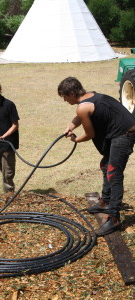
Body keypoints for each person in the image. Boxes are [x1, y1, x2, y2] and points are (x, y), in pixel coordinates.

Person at [58, 76, 135, 236]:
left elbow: (89, 133)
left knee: (114, 174)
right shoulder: (91, 96)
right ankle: (105, 202)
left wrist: (76, 139)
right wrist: (71, 126)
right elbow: (81, 115)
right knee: (105, 165)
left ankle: (114, 218)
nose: (65, 100)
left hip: (124, 134)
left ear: (72, 93)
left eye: (65, 96)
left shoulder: (82, 107)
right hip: (120, 132)